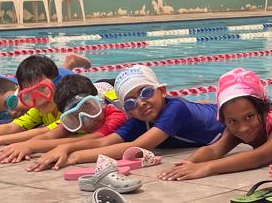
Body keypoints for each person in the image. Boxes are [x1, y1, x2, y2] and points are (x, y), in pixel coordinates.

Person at [31, 64, 223, 170]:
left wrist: (75, 157)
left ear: (162, 90)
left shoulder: (176, 109)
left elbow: (139, 147)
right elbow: (103, 143)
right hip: (196, 112)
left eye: (146, 92)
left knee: (199, 107)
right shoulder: (139, 120)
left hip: (220, 123)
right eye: (130, 103)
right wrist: (65, 147)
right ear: (127, 110)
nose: (140, 103)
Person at [158, 68, 272, 181]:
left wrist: (205, 167)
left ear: (263, 111)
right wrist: (186, 163)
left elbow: (259, 157)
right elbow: (215, 150)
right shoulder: (236, 128)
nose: (243, 127)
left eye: (249, 117)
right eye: (232, 121)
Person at [0, 75, 125, 164]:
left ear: (99, 103)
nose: (86, 121)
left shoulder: (116, 113)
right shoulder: (71, 117)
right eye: (75, 115)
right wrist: (24, 146)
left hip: (108, 86)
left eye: (89, 108)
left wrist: (33, 146)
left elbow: (94, 140)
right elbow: (50, 134)